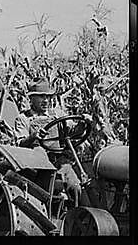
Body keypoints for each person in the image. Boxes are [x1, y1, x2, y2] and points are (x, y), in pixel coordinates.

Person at [14, 78, 90, 207]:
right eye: (41, 97)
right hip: (36, 167)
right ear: (31, 99)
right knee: (49, 191)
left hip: (59, 161)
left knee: (75, 186)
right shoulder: (23, 119)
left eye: (48, 97)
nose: (45, 100)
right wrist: (33, 137)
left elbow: (73, 130)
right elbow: (20, 143)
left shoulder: (57, 116)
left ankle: (76, 217)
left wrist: (83, 124)